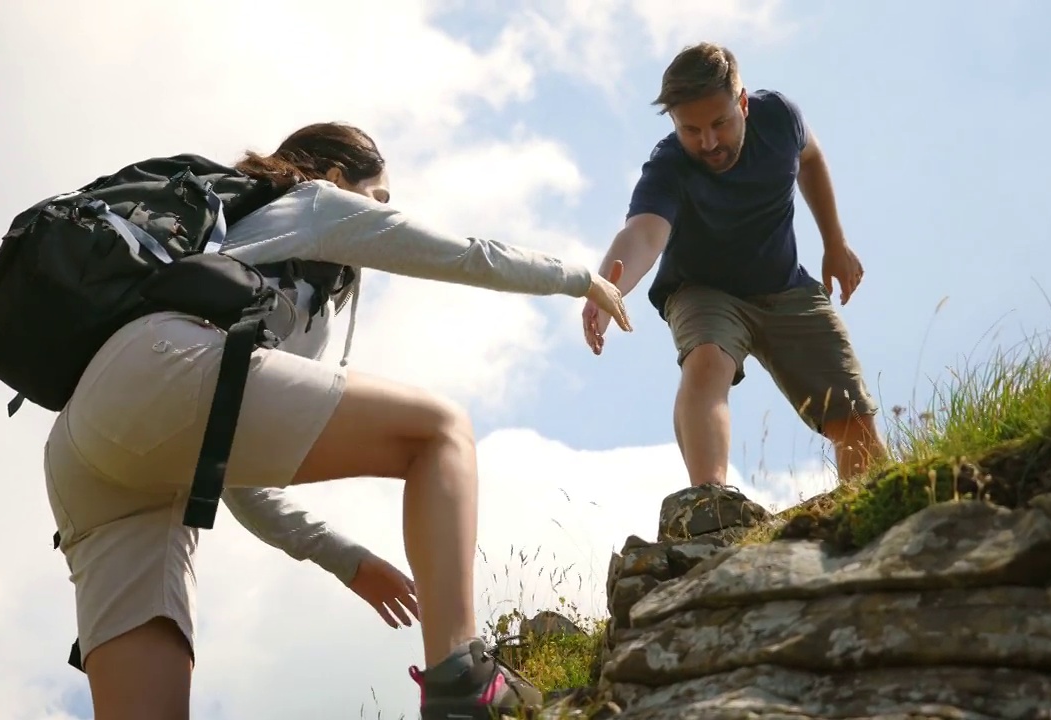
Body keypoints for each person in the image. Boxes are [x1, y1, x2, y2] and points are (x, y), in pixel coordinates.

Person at [43, 121, 632, 720]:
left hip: (87, 448)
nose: (382, 214)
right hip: (166, 365)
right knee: (441, 432)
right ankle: (462, 680)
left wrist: (347, 560)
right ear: (332, 177)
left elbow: (236, 473)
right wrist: (577, 278)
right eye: (378, 199)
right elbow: (460, 253)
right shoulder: (315, 204)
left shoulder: (245, 259)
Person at [581, 42, 887, 493]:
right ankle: (712, 502)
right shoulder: (669, 166)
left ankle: (873, 507)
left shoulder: (780, 118)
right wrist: (606, 288)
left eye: (720, 123)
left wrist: (834, 243)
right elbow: (644, 235)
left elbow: (811, 158)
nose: (707, 143)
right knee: (706, 362)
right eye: (691, 130)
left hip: (785, 287)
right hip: (703, 292)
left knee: (852, 415)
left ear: (742, 103)